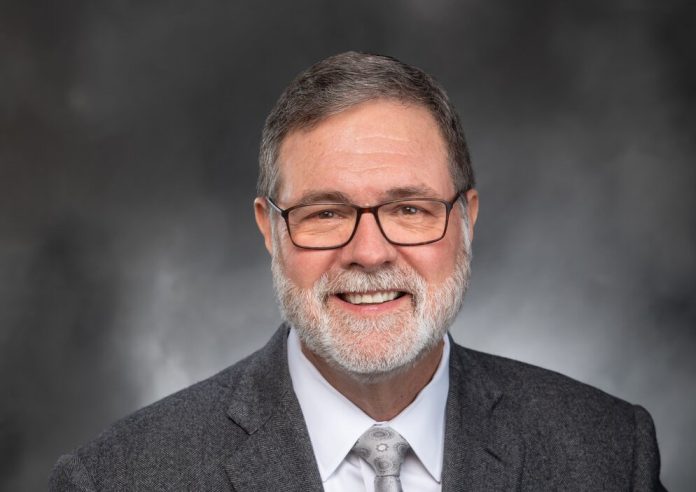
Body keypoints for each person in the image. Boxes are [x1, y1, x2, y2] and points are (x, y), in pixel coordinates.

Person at [49, 51, 665, 491]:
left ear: (466, 219)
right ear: (269, 228)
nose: (369, 253)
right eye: (325, 212)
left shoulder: (607, 452)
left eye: (409, 208)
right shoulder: (116, 478)